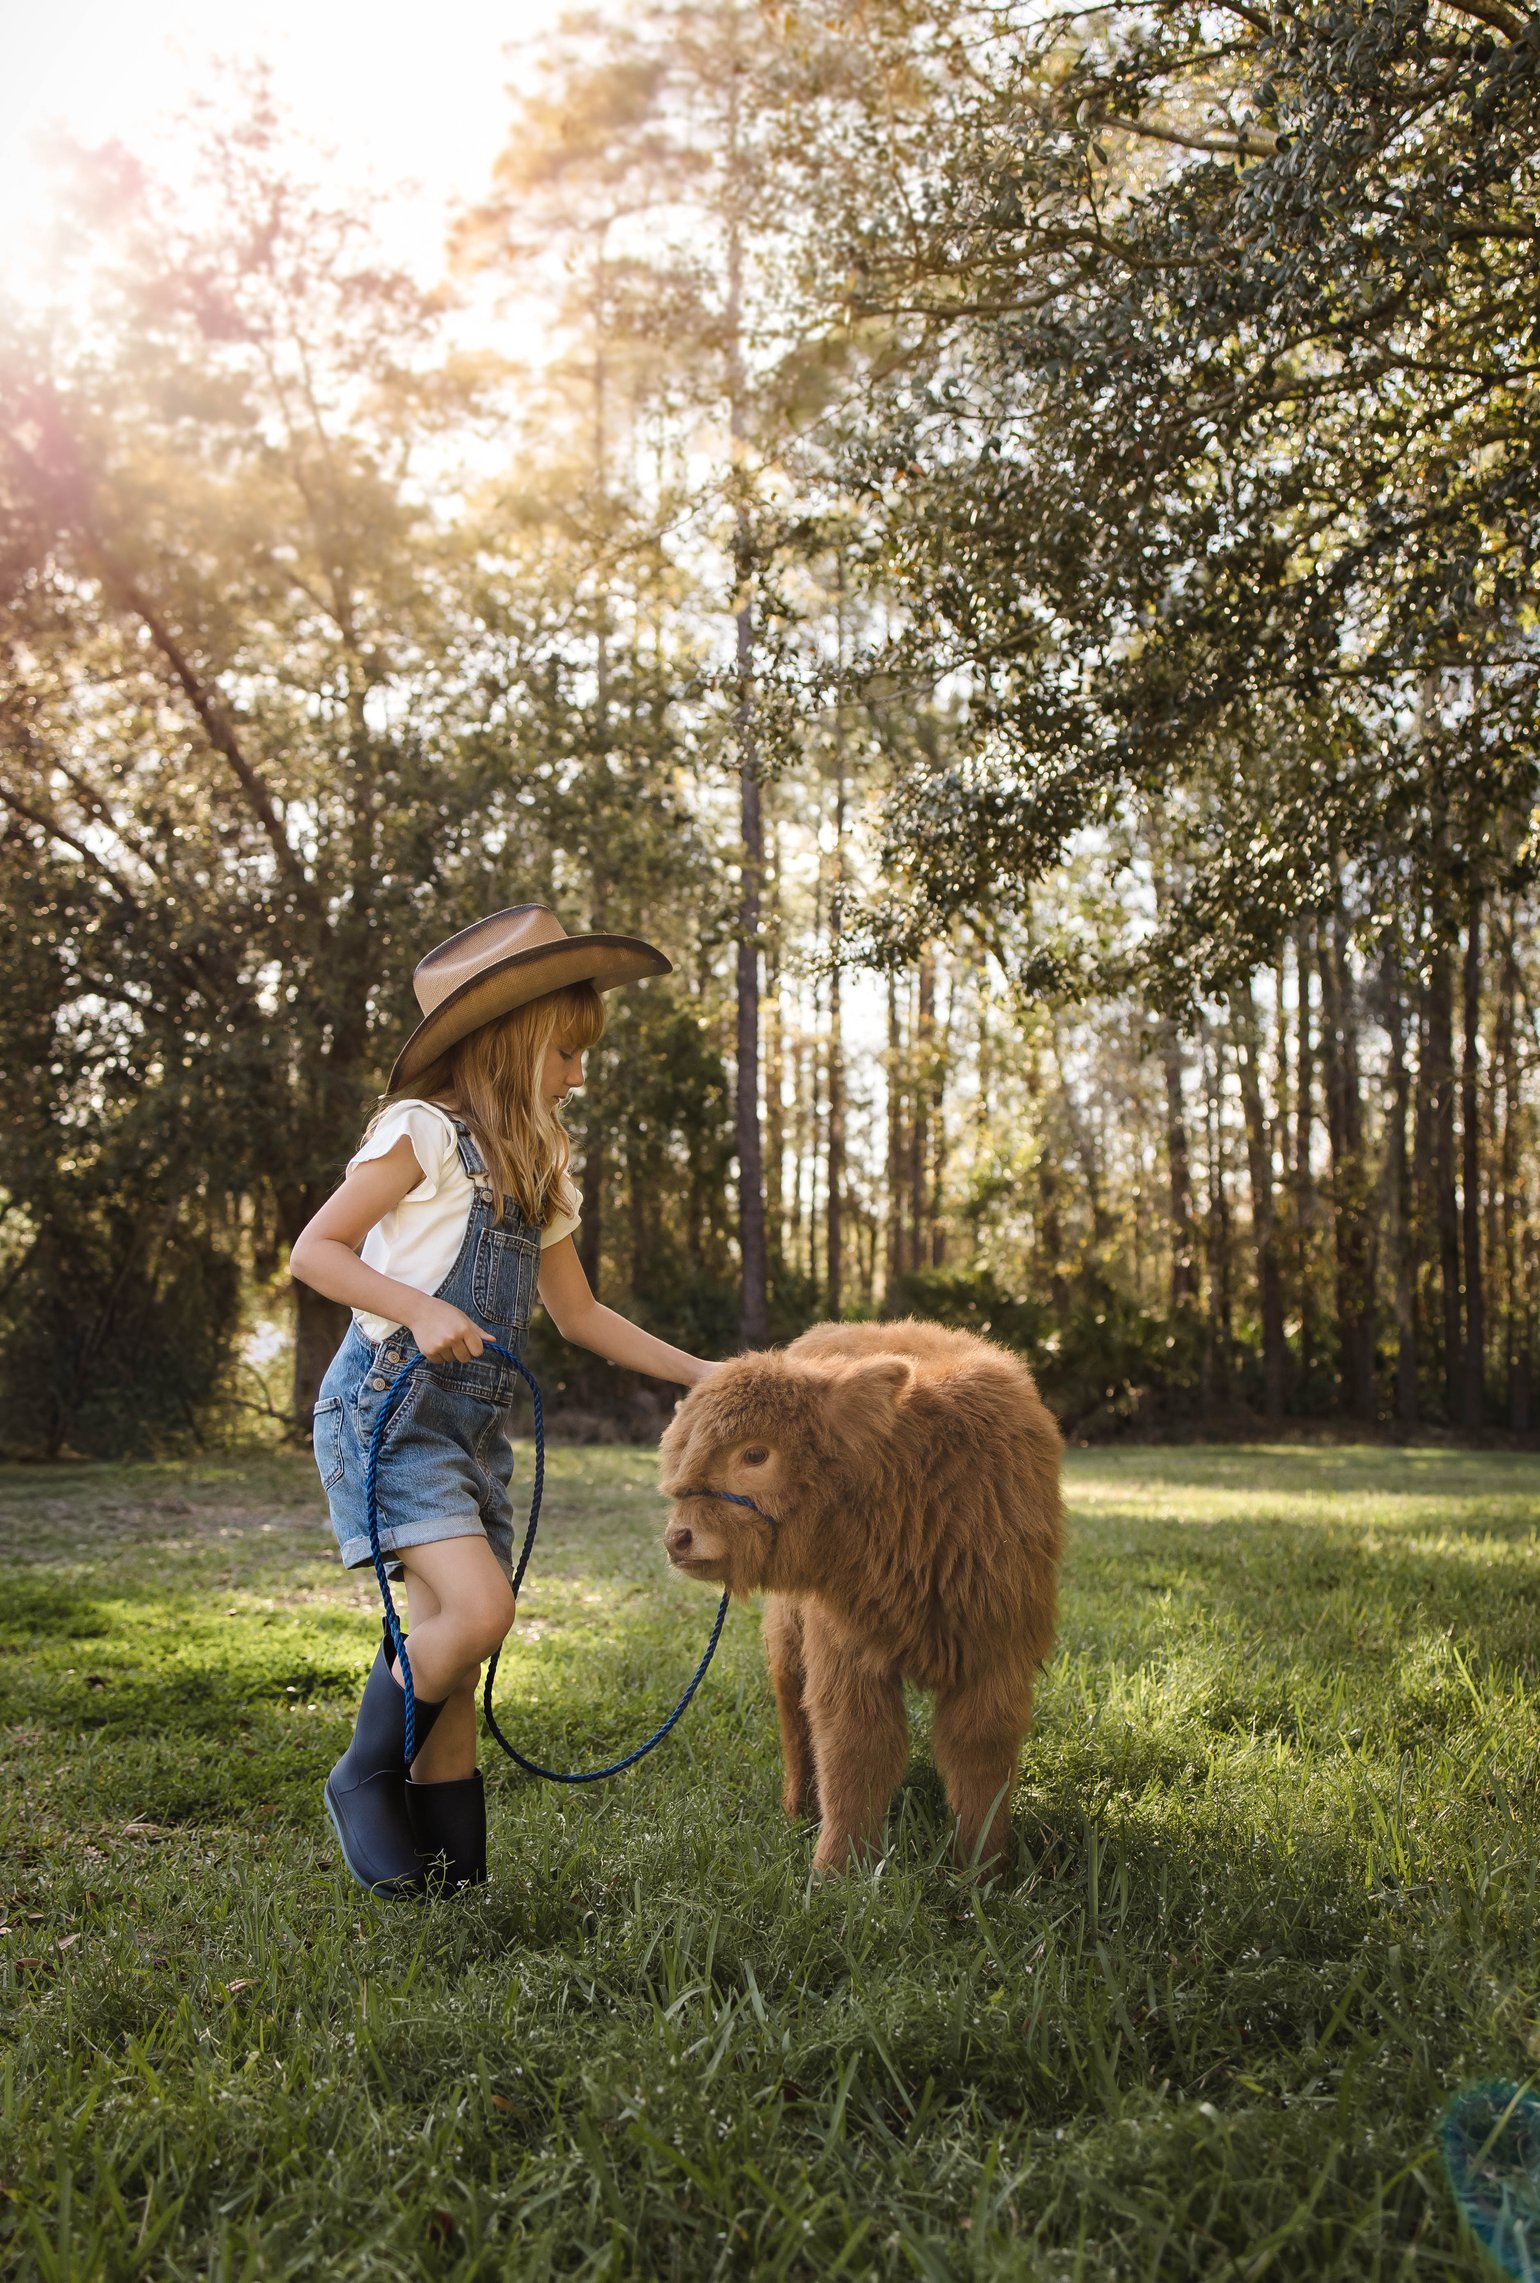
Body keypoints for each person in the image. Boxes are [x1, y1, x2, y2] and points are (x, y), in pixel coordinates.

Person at [289, 904, 719, 1900]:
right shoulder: (420, 1135)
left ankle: (450, 1861)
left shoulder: (539, 1173)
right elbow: (318, 1250)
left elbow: (581, 1316)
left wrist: (706, 1375)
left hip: (471, 1434)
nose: (579, 1074)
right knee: (479, 1614)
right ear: (508, 1040)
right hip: (390, 1413)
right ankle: (363, 1770)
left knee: (457, 1631)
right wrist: (411, 1308)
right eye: (567, 1052)